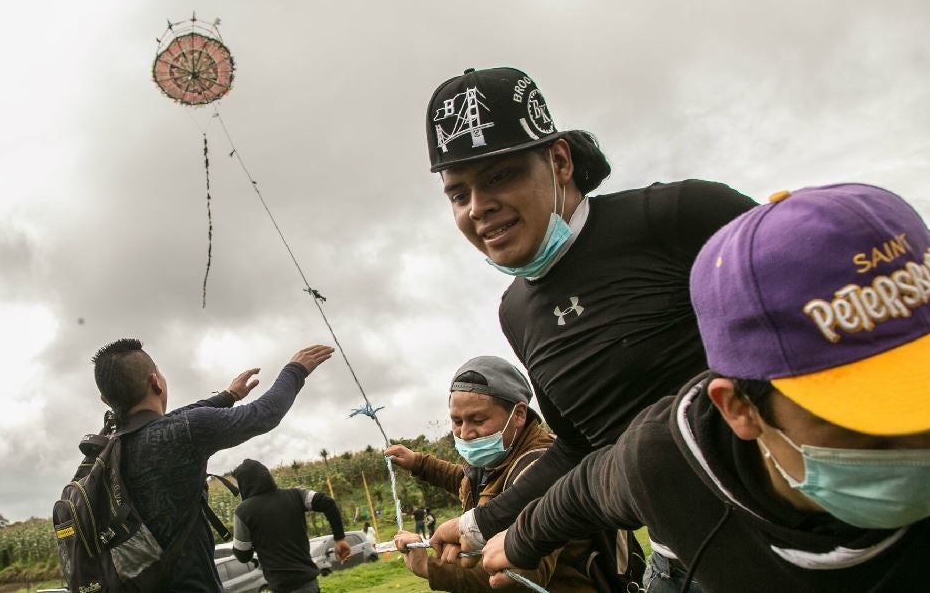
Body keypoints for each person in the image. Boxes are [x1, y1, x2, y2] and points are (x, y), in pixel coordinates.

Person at [480, 183, 930, 592]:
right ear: (738, 408)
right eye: (856, 415)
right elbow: (585, 491)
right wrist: (516, 543)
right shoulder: (667, 455)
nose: (916, 443)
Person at [425, 67, 756, 587]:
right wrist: (477, 524)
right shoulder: (515, 310)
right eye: (457, 193)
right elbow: (579, 445)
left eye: (498, 176)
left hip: (803, 540)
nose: (477, 208)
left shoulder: (682, 217)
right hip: (681, 563)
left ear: (558, 161)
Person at [92, 339, 333, 592]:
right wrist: (295, 370)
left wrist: (229, 396)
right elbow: (264, 413)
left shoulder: (106, 450)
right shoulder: (181, 433)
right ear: (156, 382)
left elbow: (179, 417)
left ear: (105, 400)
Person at [386, 356, 596, 592]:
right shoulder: (497, 457)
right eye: (457, 421)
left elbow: (521, 574)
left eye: (478, 420)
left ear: (518, 414)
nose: (465, 433)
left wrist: (430, 567)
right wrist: (419, 463)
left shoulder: (542, 471)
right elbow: (468, 481)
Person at [232, 459, 351, 593]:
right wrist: (339, 539)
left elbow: (243, 555)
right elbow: (327, 503)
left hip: (282, 587)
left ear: (244, 484)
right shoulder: (296, 495)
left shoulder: (243, 512)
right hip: (310, 584)